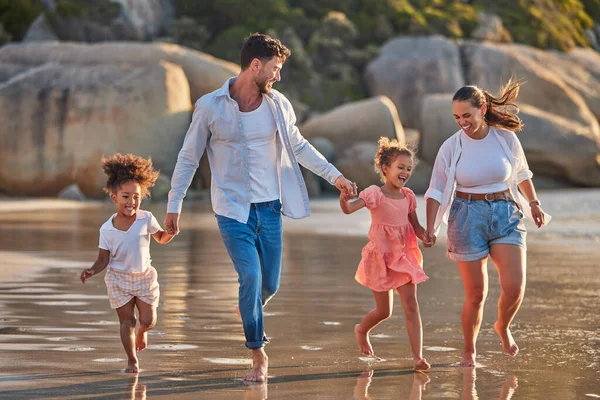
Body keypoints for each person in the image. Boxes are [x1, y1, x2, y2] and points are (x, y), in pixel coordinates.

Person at [164, 33, 356, 382]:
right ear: (256, 66)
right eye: (275, 69)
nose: (278, 76)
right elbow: (188, 158)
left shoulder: (278, 105)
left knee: (270, 284)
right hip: (231, 210)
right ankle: (258, 355)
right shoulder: (210, 107)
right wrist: (173, 205)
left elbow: (299, 146)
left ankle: (249, 306)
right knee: (249, 276)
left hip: (269, 209)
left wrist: (336, 177)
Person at [424, 79, 551, 367]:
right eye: (456, 117)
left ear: (482, 109)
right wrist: (431, 227)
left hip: (506, 212)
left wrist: (533, 202)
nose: (462, 123)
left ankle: (502, 326)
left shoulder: (505, 138)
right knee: (477, 294)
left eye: (466, 115)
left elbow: (522, 173)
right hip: (467, 217)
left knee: (515, 286)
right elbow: (435, 189)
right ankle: (469, 350)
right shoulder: (451, 146)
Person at [340, 137, 433, 371]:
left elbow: (415, 226)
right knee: (384, 311)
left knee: (411, 304)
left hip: (404, 256)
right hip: (380, 257)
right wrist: (344, 199)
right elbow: (350, 209)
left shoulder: (409, 196)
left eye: (409, 169)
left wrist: (426, 236)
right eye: (400, 167)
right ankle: (362, 330)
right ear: (385, 168)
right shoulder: (374, 194)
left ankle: (418, 357)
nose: (405, 172)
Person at [80, 153, 174, 373]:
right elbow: (103, 258)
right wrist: (92, 271)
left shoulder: (146, 218)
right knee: (127, 322)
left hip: (143, 277)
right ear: (114, 197)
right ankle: (132, 360)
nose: (131, 202)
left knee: (149, 320)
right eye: (125, 196)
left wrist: (171, 232)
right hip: (119, 279)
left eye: (136, 196)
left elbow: (160, 238)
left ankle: (143, 332)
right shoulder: (107, 229)